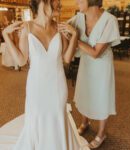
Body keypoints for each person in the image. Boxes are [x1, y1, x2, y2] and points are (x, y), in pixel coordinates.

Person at [2, 0, 78, 149]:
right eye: (57, 2)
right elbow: (21, 60)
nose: (60, 5)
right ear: (44, 2)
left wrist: (74, 35)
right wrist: (5, 35)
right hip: (37, 86)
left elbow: (67, 58)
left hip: (58, 85)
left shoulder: (59, 26)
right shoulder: (28, 27)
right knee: (37, 117)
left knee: (57, 116)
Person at [59, 0, 120, 149]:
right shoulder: (78, 17)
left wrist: (75, 37)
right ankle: (85, 122)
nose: (77, 2)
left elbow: (96, 53)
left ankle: (101, 133)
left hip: (102, 65)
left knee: (101, 96)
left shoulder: (109, 20)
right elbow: (61, 27)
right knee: (85, 92)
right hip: (85, 64)